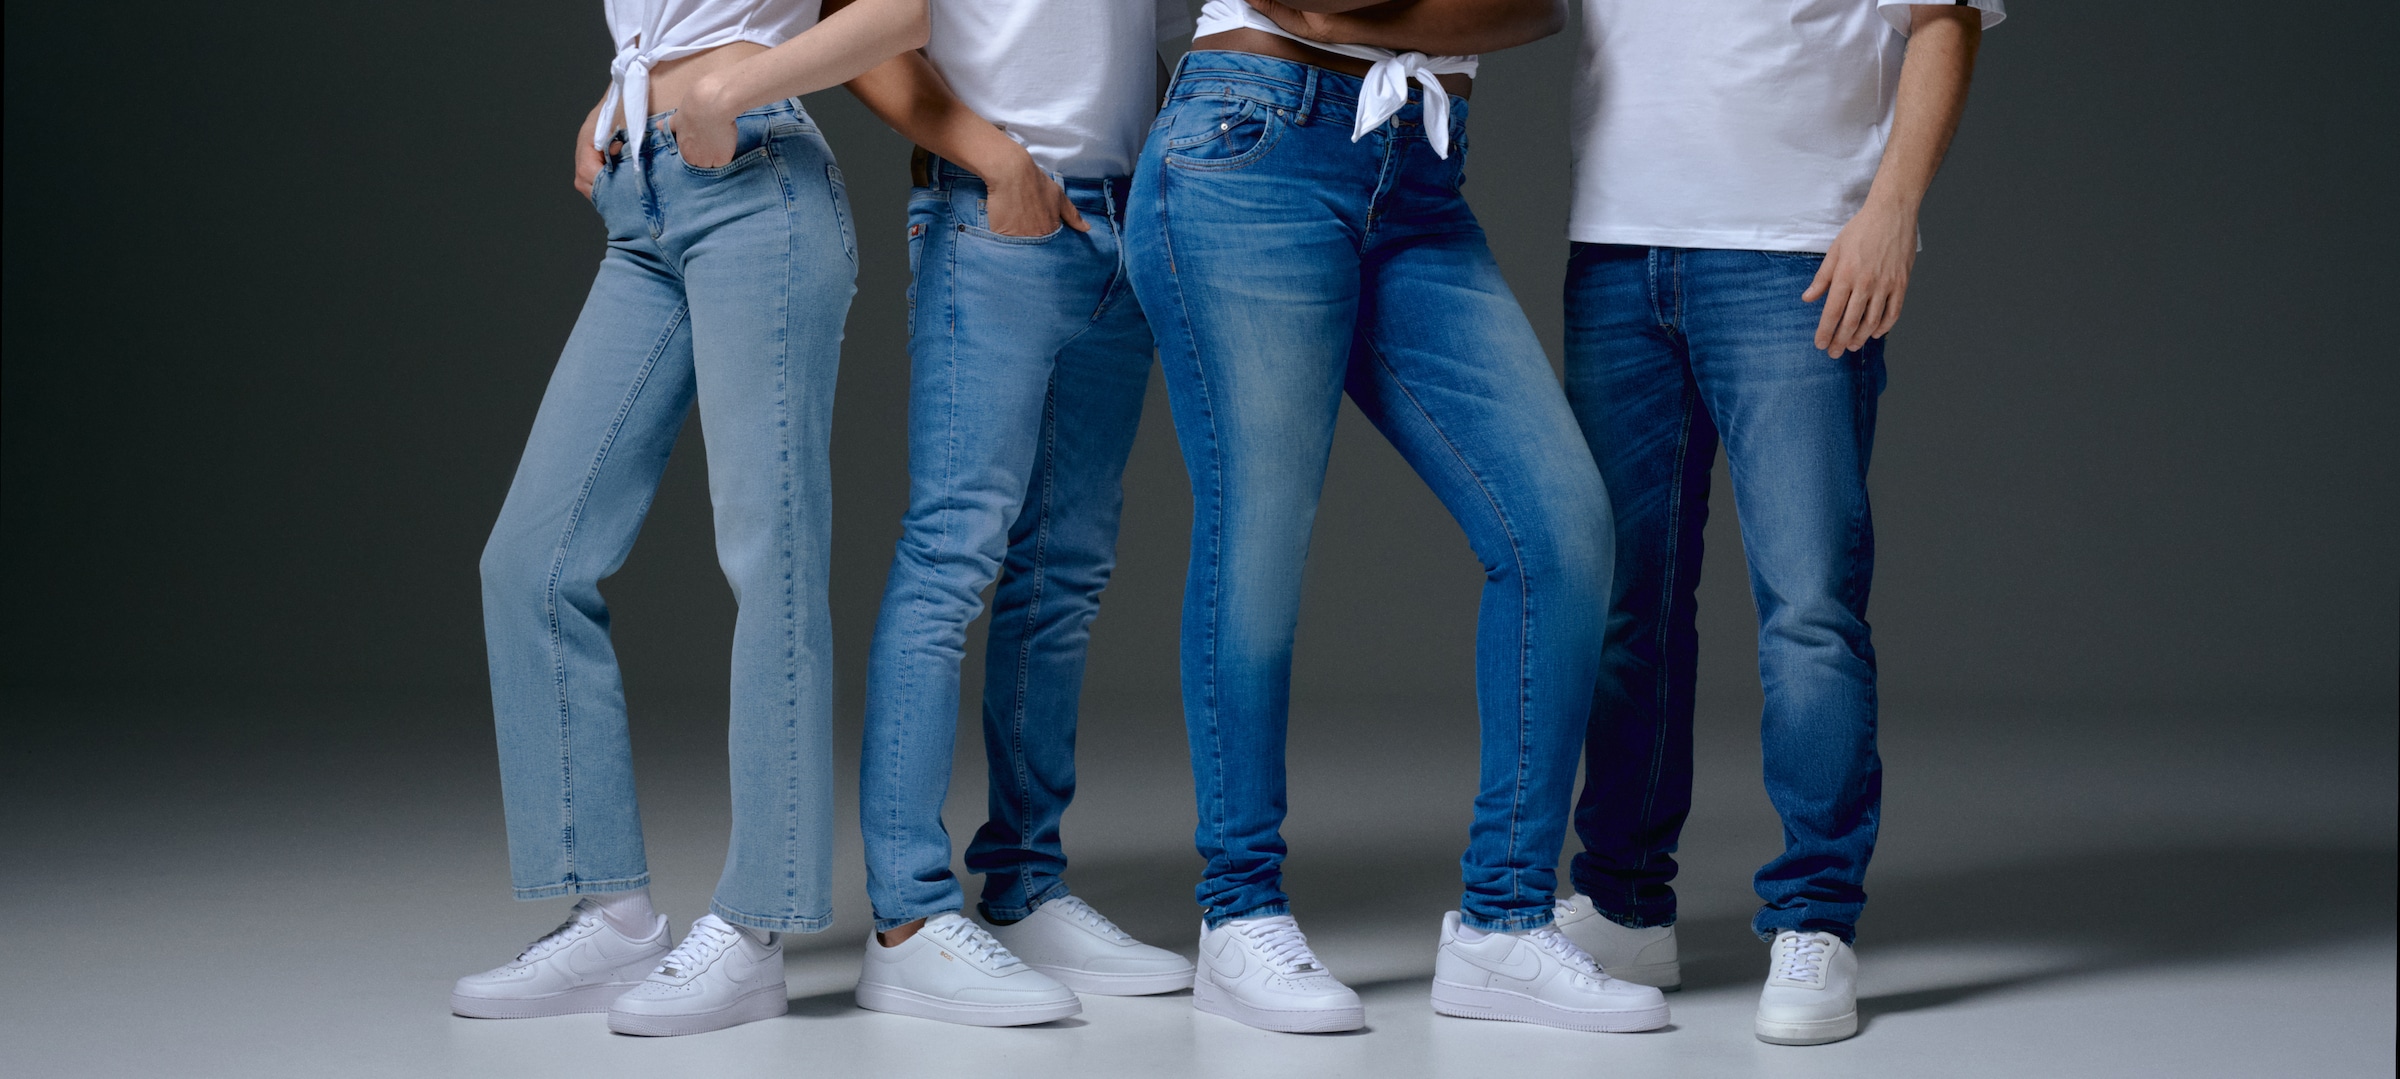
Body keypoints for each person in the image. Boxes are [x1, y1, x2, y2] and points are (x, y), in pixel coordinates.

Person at [1121, 0, 1671, 1035]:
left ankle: (1505, 922)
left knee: (1562, 531)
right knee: (1258, 540)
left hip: (1419, 171)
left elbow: (1534, 11)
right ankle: (1239, 912)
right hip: (1252, 146)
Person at [448, 0, 929, 1038]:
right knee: (530, 562)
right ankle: (612, 918)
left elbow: (902, 14)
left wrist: (730, 89)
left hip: (758, 182)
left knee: (771, 563)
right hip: (643, 201)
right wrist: (621, 88)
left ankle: (755, 927)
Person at [1547, 0, 2000, 1047]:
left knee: (1809, 610)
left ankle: (1814, 919)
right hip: (1616, 250)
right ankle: (1624, 901)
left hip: (1794, 252)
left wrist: (1893, 208)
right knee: (1627, 606)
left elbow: (1947, 18)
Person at [838, 0, 1200, 1029]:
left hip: (1119, 220)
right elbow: (856, 25)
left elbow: (1137, 47)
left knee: (1065, 570)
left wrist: (1153, 181)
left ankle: (1025, 884)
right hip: (992, 211)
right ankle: (907, 919)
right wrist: (998, 161)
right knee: (951, 557)